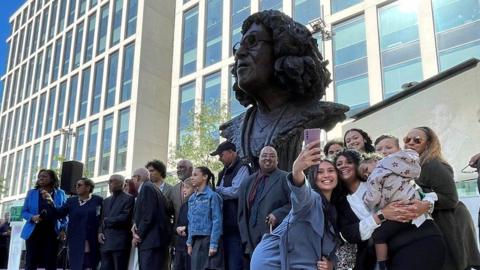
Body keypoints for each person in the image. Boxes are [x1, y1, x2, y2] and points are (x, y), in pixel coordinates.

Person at [220, 9, 348, 171]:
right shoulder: (235, 127)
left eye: (252, 42)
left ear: (283, 48)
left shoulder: (317, 113)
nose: (239, 54)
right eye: (238, 48)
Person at [334, 149, 445, 270]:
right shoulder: (341, 202)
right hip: (385, 255)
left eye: (348, 162)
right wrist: (381, 216)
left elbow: (422, 193)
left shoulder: (386, 176)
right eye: (338, 164)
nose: (343, 166)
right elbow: (349, 234)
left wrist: (426, 205)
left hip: (420, 237)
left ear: (359, 164)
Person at [251, 142, 337, 270]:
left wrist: (332, 264)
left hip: (299, 261)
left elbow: (338, 248)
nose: (326, 175)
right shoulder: (311, 198)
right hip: (272, 260)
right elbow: (301, 191)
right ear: (313, 177)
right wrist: (297, 170)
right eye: (320, 172)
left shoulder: (336, 208)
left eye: (331, 170)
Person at [404, 127, 480, 270]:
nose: (410, 143)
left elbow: (451, 198)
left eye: (417, 140)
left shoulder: (432, 165)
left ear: (428, 144)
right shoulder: (412, 166)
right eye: (407, 139)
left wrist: (425, 202)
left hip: (449, 223)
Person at [362, 142, 434, 270]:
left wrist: (366, 200)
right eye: (364, 175)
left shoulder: (375, 176)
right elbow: (423, 192)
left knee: (378, 235)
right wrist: (426, 204)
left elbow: (373, 199)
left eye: (366, 170)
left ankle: (382, 263)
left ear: (375, 161)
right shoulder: (403, 169)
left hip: (401, 213)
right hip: (415, 210)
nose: (367, 175)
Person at [238, 146, 291, 258]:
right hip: (251, 239)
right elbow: (242, 213)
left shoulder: (286, 178)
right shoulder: (247, 182)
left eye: (272, 156)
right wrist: (245, 240)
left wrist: (278, 214)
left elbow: (296, 204)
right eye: (264, 155)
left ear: (277, 160)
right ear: (259, 159)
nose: (268, 158)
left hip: (275, 236)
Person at [43, 177, 103, 270]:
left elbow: (101, 218)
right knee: (77, 265)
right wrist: (50, 202)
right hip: (75, 238)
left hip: (92, 239)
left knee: (90, 264)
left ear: (88, 187)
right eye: (76, 185)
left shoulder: (98, 200)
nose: (76, 187)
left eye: (79, 185)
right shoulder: (71, 201)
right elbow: (58, 213)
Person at [210, 141, 251, 270]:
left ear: (232, 153)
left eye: (221, 155)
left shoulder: (243, 167)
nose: (219, 158)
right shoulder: (223, 172)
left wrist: (217, 190)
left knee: (235, 263)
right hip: (224, 226)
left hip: (237, 226)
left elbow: (236, 191)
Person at [21, 169, 67, 270]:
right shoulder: (31, 193)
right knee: (30, 263)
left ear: (52, 179)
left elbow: (64, 213)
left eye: (44, 176)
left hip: (52, 232)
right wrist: (32, 217)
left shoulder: (60, 193)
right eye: (40, 176)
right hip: (34, 231)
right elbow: (24, 212)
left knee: (50, 263)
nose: (41, 178)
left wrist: (63, 229)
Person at [132, 167, 170, 270]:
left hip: (150, 242)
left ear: (138, 178)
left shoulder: (147, 188)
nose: (132, 181)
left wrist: (138, 235)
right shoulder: (154, 188)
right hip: (155, 242)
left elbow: (148, 215)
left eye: (133, 178)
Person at [186, 166, 224, 270]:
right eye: (191, 175)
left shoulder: (213, 196)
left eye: (195, 175)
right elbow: (190, 222)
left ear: (205, 177)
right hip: (196, 241)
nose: (192, 178)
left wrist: (213, 244)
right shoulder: (192, 199)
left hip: (209, 238)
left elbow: (217, 221)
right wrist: (189, 243)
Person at [99, 174, 135, 270]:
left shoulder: (129, 199)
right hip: (105, 243)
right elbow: (101, 219)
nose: (108, 183)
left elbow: (125, 218)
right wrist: (100, 232)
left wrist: (107, 221)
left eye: (111, 181)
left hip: (120, 244)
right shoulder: (105, 201)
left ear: (120, 183)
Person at [145, 159, 174, 269]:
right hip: (147, 234)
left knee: (163, 264)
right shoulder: (145, 189)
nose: (149, 173)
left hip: (163, 234)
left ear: (160, 171)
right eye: (148, 171)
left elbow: (172, 210)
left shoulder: (171, 189)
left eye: (152, 171)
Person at [174, 178, 194, 270]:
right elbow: (178, 223)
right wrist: (177, 229)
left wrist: (186, 229)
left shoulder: (197, 204)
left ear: (195, 188)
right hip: (180, 246)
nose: (184, 190)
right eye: (183, 187)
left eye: (187, 187)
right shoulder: (184, 205)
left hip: (191, 246)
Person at [171, 160, 193, 224]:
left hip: (196, 230)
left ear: (191, 169)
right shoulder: (174, 189)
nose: (178, 170)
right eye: (177, 168)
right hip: (177, 231)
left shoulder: (201, 184)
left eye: (181, 167)